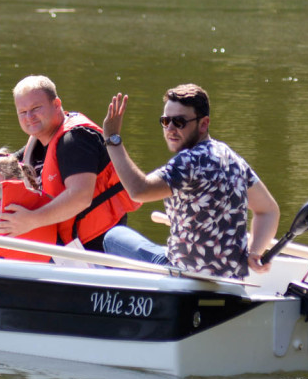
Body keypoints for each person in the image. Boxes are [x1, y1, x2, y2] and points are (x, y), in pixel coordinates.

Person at [100, 85, 280, 279]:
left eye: (179, 122)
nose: (170, 129)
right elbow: (269, 210)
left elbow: (139, 189)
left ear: (203, 124)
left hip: (185, 278)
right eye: (166, 121)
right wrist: (255, 252)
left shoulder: (188, 162)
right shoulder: (233, 160)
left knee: (114, 236)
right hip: (232, 282)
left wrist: (112, 139)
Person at [0, 75, 139, 252]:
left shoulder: (75, 140)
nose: (29, 117)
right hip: (59, 249)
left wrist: (32, 220)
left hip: (91, 252)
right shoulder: (36, 146)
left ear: (56, 104)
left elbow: (80, 197)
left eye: (36, 108)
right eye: (23, 112)